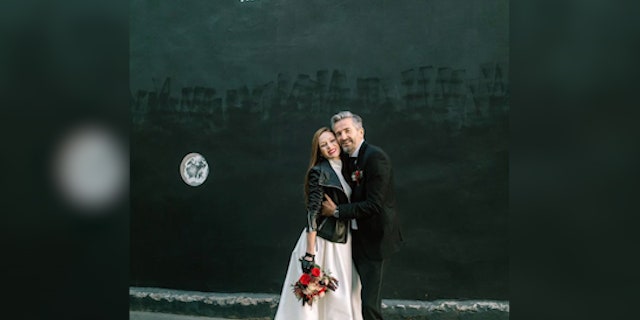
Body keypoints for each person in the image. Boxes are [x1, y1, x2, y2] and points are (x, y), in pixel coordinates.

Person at [274, 127, 363, 320]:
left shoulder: (349, 168)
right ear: (319, 150)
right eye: (324, 145)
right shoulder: (318, 172)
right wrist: (310, 252)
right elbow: (313, 212)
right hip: (325, 241)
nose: (330, 146)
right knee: (324, 296)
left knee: (344, 291)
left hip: (344, 239)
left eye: (332, 141)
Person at [321, 111, 403, 320]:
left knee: (369, 303)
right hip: (354, 240)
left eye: (347, 130)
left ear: (361, 131)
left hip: (376, 240)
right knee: (353, 298)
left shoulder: (376, 158)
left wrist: (337, 212)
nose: (343, 137)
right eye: (338, 133)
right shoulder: (349, 160)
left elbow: (374, 205)